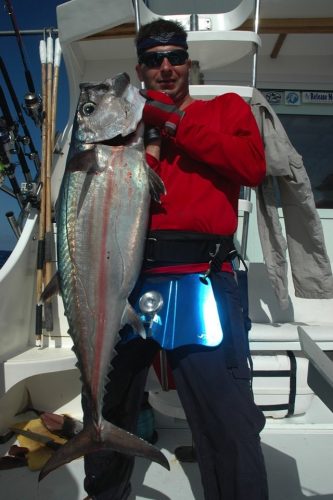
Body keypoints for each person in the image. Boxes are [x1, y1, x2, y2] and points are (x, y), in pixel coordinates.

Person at [83, 18, 269, 500]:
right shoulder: (125, 130)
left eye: (175, 57)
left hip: (202, 276)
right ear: (140, 69)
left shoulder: (225, 109)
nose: (165, 67)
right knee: (106, 403)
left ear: (189, 62)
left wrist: (170, 120)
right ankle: (107, 491)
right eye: (153, 59)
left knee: (225, 420)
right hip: (130, 280)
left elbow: (251, 168)